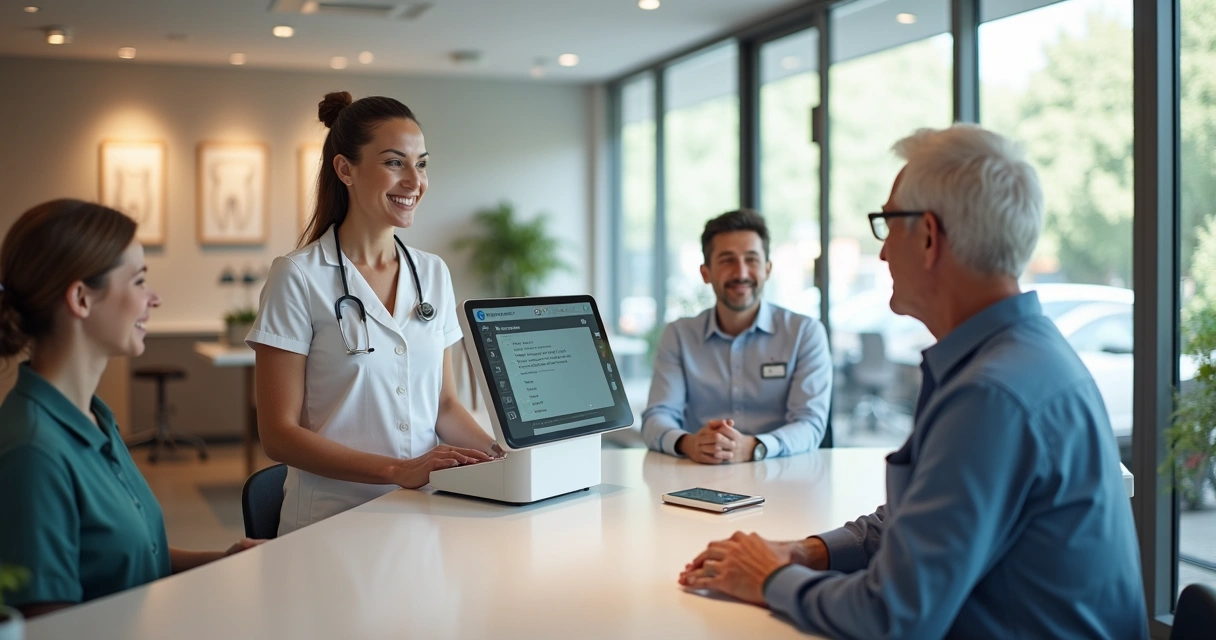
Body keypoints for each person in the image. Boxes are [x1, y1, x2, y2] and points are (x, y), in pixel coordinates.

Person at [678, 125, 1148, 638]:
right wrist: (806, 552)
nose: (881, 253)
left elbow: (892, 618)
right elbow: (926, 519)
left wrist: (770, 579)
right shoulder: (1021, 354)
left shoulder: (990, 395)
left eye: (887, 224)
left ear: (926, 236)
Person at [248, 92, 496, 536]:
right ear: (345, 169)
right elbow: (278, 434)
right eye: (395, 163)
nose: (414, 181)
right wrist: (397, 470)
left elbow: (445, 406)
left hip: (422, 515)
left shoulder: (432, 273)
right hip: (330, 523)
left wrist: (500, 456)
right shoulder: (298, 276)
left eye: (421, 164)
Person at [0, 200, 263, 619]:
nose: (154, 299)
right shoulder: (34, 452)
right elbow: (47, 623)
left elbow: (126, 557)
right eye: (139, 281)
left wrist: (224, 562)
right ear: (81, 299)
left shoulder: (95, 418)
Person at [640, 209, 831, 463]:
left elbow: (810, 424)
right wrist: (690, 444)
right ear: (706, 273)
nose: (741, 273)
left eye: (751, 259)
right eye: (727, 260)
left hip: (782, 472)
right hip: (700, 472)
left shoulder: (804, 333)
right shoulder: (679, 335)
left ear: (767, 269)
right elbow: (656, 417)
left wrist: (754, 447)